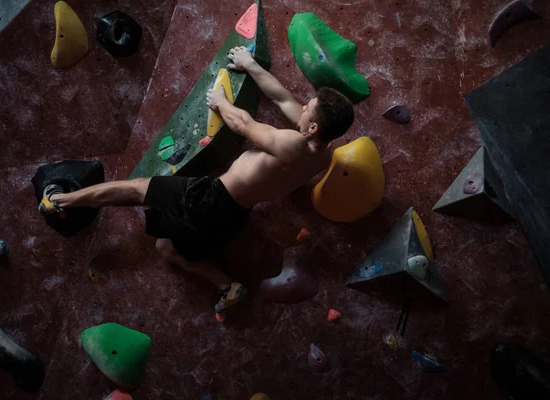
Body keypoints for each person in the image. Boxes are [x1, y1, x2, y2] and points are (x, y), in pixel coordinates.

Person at [37, 46, 354, 313]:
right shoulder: (323, 154)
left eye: (309, 108)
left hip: (208, 199)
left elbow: (242, 124)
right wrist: (250, 64)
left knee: (137, 190)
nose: (303, 105)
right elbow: (284, 100)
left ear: (312, 128)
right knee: (165, 248)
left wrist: (220, 102)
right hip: (233, 218)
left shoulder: (291, 143)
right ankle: (226, 285)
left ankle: (59, 200)